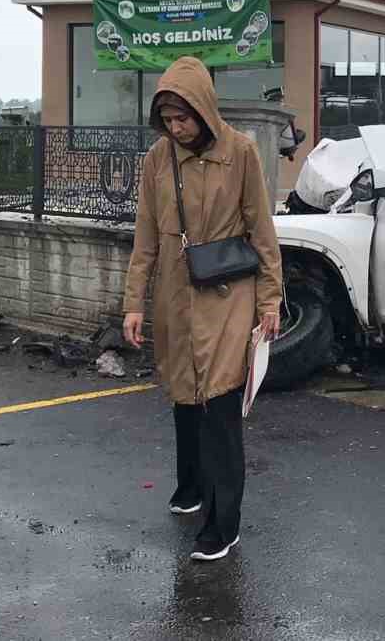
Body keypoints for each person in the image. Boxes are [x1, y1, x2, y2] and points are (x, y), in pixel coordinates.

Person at [121, 57, 282, 562]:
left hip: (227, 292)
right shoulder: (156, 159)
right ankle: (190, 487)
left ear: (204, 110)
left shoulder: (242, 152)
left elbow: (262, 231)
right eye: (168, 120)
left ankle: (223, 522)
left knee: (218, 402)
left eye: (183, 118)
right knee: (184, 393)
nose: (176, 128)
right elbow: (145, 235)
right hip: (175, 291)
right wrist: (133, 303)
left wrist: (271, 298)